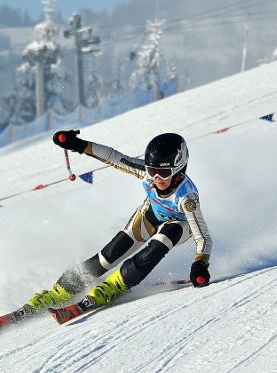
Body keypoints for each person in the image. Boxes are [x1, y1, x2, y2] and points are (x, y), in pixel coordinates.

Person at [24, 130, 212, 313]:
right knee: (107, 256)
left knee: (160, 242)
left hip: (179, 226)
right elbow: (114, 157)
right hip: (151, 215)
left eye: (163, 173)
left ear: (179, 169)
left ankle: (111, 288)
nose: (156, 178)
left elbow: (203, 237)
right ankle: (58, 292)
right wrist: (79, 145)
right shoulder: (147, 174)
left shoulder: (187, 198)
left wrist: (200, 264)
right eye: (152, 171)